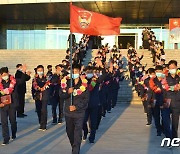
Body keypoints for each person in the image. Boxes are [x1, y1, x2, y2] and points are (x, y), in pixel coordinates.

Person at [60, 64, 89, 154]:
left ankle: (76, 151)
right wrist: (68, 92)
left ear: (80, 72)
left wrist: (76, 107)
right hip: (68, 112)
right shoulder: (67, 83)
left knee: (77, 133)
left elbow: (86, 100)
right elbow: (61, 95)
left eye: (76, 72)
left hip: (79, 113)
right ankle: (74, 146)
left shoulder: (85, 84)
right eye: (73, 72)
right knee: (69, 132)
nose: (74, 74)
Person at [0, 67, 27, 145]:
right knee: (4, 122)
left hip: (12, 104)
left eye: (6, 74)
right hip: (3, 105)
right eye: (3, 75)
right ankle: (6, 138)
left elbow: (22, 81)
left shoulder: (14, 81)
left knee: (13, 121)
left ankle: (14, 133)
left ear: (8, 73)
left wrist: (23, 72)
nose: (5, 76)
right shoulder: (0, 84)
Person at [163, 60, 180, 138]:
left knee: (175, 123)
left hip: (177, 102)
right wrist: (175, 87)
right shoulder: (165, 77)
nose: (172, 69)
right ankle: (168, 136)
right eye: (170, 68)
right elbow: (164, 87)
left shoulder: (179, 77)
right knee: (166, 122)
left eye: (173, 67)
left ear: (176, 67)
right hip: (167, 102)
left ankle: (174, 138)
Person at [32, 65, 50, 131]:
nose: (40, 72)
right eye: (39, 70)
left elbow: (48, 86)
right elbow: (33, 88)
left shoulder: (47, 78)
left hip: (45, 96)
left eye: (41, 70)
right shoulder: (34, 79)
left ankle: (44, 125)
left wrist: (43, 89)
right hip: (37, 96)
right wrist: (33, 96)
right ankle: (41, 122)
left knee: (44, 110)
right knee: (39, 110)